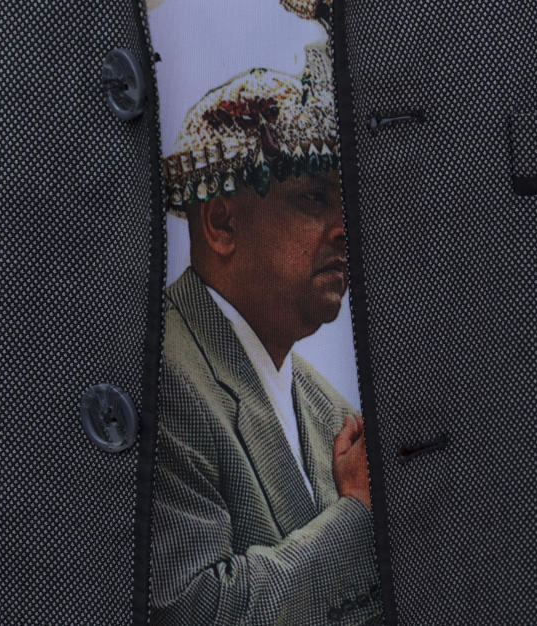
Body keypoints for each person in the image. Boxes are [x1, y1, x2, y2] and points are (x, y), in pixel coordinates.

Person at [149, 64, 382, 625]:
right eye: (312, 198)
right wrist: (358, 517)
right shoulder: (158, 378)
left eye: (345, 199)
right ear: (223, 223)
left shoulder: (330, 410)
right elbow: (196, 612)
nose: (343, 226)